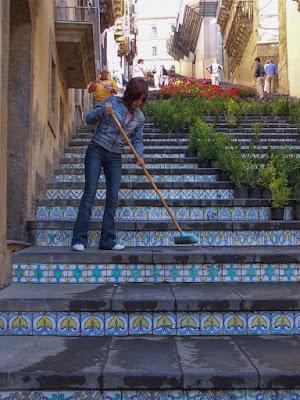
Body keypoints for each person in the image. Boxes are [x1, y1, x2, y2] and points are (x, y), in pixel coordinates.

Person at [71, 78, 148, 252]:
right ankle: (79, 239)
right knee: (90, 193)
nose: (140, 103)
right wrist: (102, 112)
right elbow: (88, 118)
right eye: (138, 98)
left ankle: (107, 240)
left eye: (143, 99)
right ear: (130, 95)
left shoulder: (140, 117)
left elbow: (138, 140)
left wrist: (140, 156)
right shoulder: (112, 102)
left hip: (115, 156)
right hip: (97, 150)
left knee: (112, 198)